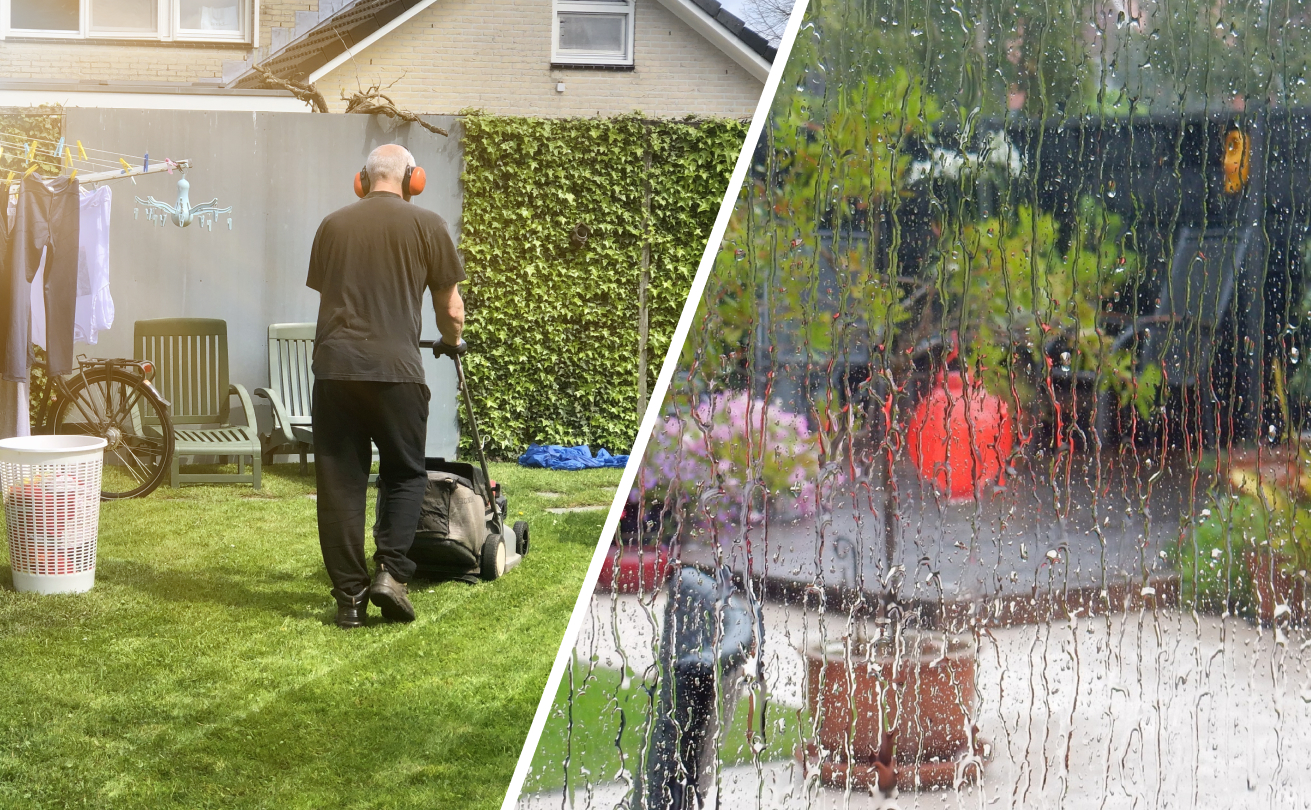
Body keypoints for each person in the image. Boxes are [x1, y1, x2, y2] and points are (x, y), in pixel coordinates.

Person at [306, 143, 465, 629]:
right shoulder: (430, 225)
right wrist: (452, 341)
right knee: (403, 473)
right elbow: (451, 309)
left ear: (362, 179)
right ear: (413, 179)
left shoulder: (332, 226)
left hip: (335, 371)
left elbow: (331, 293)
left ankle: (349, 600)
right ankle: (391, 575)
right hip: (397, 373)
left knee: (340, 484)